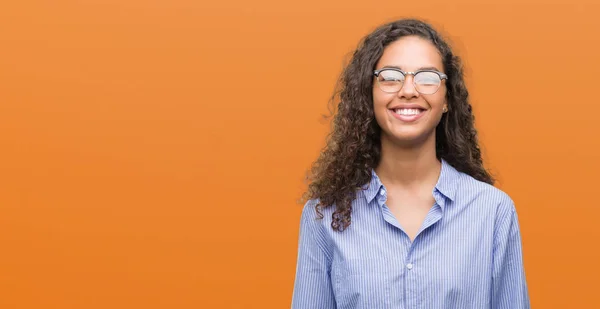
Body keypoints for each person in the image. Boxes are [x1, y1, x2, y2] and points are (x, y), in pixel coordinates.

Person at [291, 18, 530, 309]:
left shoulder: (492, 212)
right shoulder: (324, 216)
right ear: (370, 94)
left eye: (427, 77)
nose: (408, 90)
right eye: (391, 76)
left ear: (447, 100)